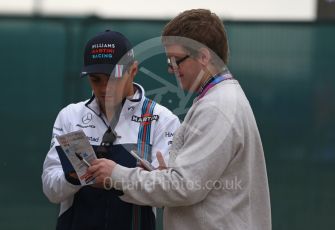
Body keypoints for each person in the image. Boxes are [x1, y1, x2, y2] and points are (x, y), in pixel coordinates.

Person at [89, 9, 271, 230]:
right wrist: (164, 175)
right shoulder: (221, 98)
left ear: (204, 57)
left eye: (176, 60)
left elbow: (184, 187)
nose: (170, 68)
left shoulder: (217, 107)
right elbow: (191, 182)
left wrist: (117, 174)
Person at [42, 30, 180, 230]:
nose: (105, 87)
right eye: (96, 79)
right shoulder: (70, 116)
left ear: (133, 71)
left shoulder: (163, 120)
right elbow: (50, 190)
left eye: (113, 77)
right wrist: (73, 178)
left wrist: (117, 177)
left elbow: (168, 193)